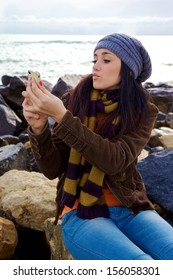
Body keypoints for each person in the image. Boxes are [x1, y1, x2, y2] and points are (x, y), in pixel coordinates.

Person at [22, 33, 173, 260]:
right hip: (80, 213)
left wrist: (62, 118)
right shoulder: (73, 100)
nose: (96, 66)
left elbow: (114, 160)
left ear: (127, 68)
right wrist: (39, 129)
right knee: (142, 266)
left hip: (129, 208)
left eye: (106, 59)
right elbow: (52, 169)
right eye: (94, 60)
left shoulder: (143, 110)